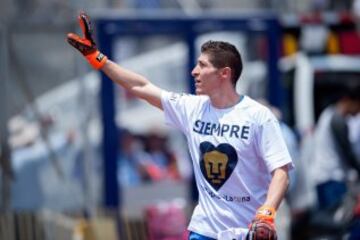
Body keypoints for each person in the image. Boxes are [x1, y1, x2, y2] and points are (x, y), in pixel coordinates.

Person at [67, 12, 293, 239]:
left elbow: (281, 172)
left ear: (225, 73)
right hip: (204, 230)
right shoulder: (192, 108)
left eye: (202, 66)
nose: (194, 71)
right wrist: (99, 59)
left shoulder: (259, 116)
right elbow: (140, 87)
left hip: (249, 231)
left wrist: (267, 211)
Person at [310, 87, 360, 211]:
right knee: (336, 222)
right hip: (333, 178)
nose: (358, 111)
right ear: (348, 101)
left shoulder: (328, 114)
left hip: (323, 177)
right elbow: (348, 153)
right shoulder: (337, 120)